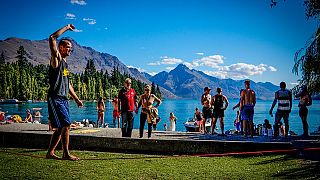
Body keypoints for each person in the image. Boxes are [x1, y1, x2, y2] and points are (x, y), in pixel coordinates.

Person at [46, 24, 83, 161]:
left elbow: (67, 83)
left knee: (61, 127)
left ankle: (50, 152)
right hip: (55, 98)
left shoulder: (65, 66)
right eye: (68, 47)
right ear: (61, 47)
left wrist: (76, 99)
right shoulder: (56, 59)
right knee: (66, 125)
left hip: (63, 99)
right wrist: (67, 27)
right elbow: (52, 37)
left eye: (71, 48)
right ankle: (66, 154)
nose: (70, 50)